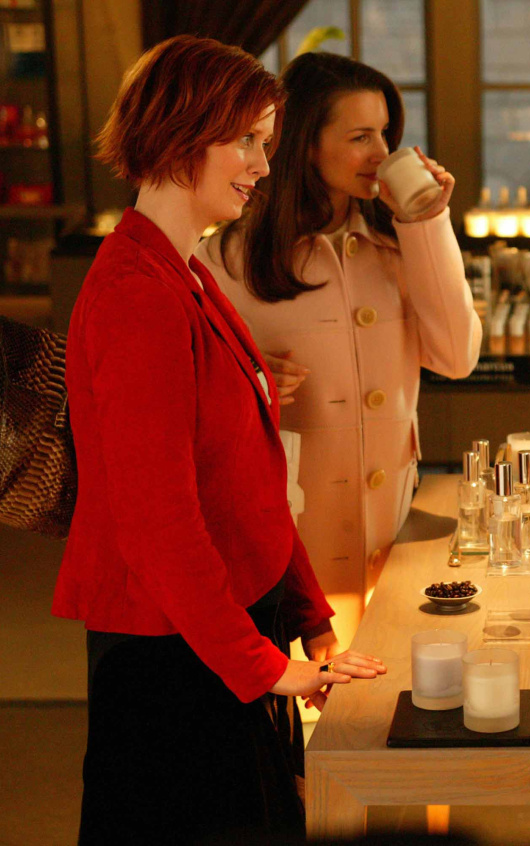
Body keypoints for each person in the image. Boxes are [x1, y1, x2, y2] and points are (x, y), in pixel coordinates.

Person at [57, 36, 386, 844]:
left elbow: (248, 479)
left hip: (221, 631)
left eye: (265, 143)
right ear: (182, 134)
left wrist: (308, 617)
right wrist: (263, 665)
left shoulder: (185, 271)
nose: (263, 166)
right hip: (172, 660)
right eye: (245, 140)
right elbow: (158, 522)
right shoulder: (136, 293)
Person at [199, 53, 482, 647]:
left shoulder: (399, 244)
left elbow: (457, 358)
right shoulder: (225, 258)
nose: (382, 152)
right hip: (288, 546)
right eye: (360, 137)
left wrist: (428, 222)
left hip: (391, 532)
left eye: (385, 134)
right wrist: (243, 376)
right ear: (305, 144)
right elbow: (187, 398)